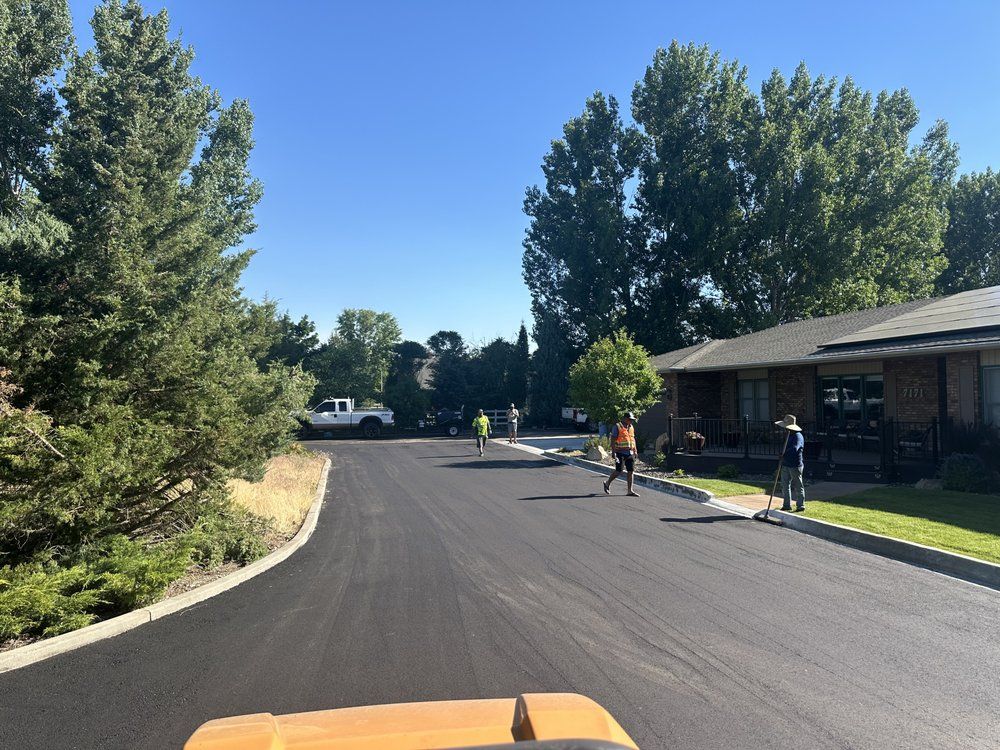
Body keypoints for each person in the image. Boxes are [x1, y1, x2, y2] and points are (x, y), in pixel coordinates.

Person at [603, 412, 640, 497]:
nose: (631, 421)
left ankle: (630, 491)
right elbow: (612, 439)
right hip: (619, 452)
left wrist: (635, 450)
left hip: (630, 452)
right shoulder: (617, 427)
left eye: (632, 420)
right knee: (619, 470)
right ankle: (607, 483)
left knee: (630, 471)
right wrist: (613, 452)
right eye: (630, 419)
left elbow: (632, 439)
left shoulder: (631, 427)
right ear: (625, 418)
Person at [775, 414, 805, 511]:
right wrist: (782, 456)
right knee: (784, 485)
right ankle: (786, 505)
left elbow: (794, 449)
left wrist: (784, 454)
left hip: (795, 465)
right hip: (785, 464)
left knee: (798, 485)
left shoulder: (797, 436)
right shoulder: (789, 435)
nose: (784, 429)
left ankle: (800, 505)